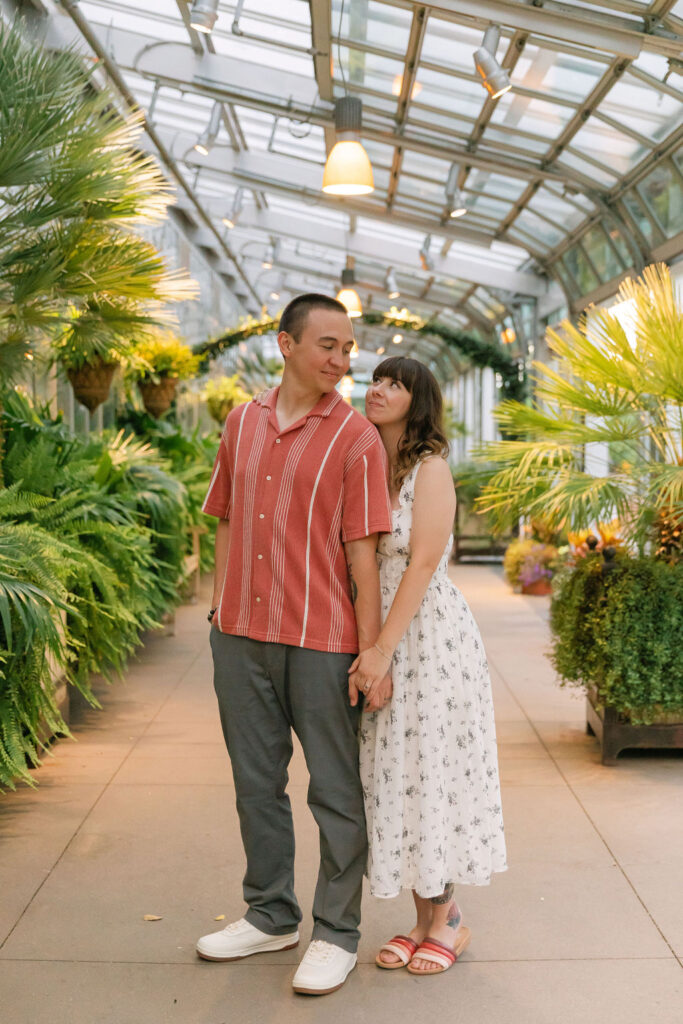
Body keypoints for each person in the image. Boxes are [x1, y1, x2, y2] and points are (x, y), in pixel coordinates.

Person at [196, 294, 393, 996]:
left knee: (335, 793)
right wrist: (221, 613)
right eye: (328, 346)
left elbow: (362, 553)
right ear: (286, 344)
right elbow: (219, 518)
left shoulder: (355, 439)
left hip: (321, 641)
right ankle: (270, 914)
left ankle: (336, 932)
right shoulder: (240, 423)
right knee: (256, 786)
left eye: (348, 348)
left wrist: (372, 653)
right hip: (240, 638)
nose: (343, 361)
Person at [350, 355, 507, 976]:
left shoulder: (430, 469)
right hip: (381, 633)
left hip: (428, 639)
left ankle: (447, 922)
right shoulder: (369, 467)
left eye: (395, 384)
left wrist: (382, 649)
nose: (378, 390)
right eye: (376, 379)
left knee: (432, 767)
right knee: (398, 772)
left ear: (419, 403)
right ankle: (423, 920)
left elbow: (420, 565)